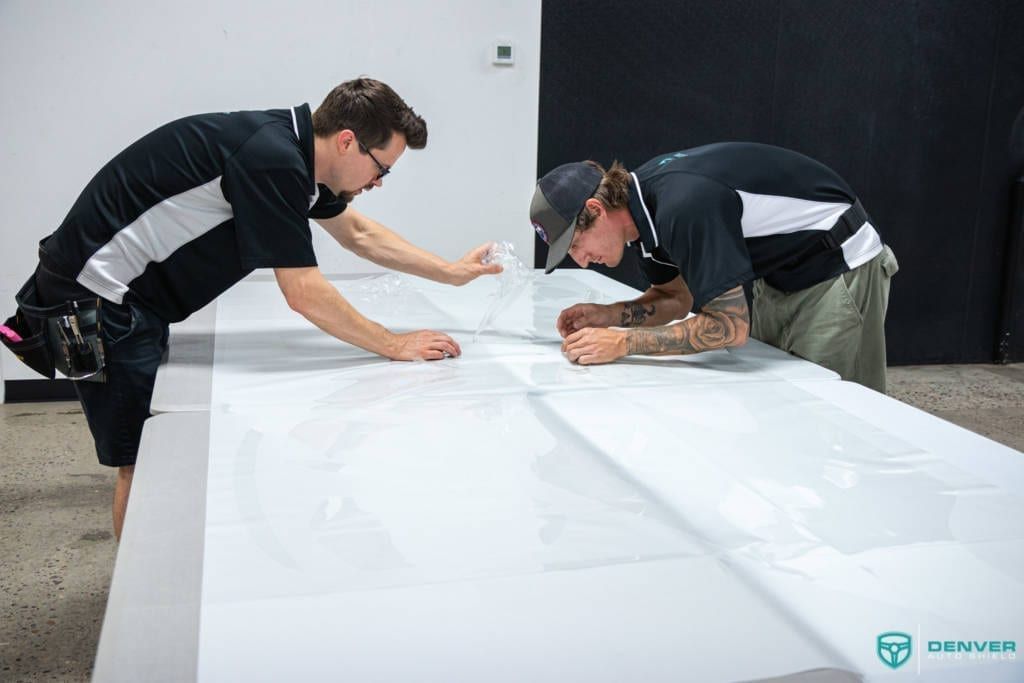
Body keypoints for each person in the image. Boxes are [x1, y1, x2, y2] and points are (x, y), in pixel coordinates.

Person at [7, 77, 500, 539]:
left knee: (156, 453)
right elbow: (303, 291)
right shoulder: (271, 159)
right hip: (96, 301)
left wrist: (452, 272)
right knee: (143, 463)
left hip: (124, 298)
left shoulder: (290, 152)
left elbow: (359, 233)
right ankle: (142, 617)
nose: (378, 183)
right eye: (381, 167)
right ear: (348, 141)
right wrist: (393, 343)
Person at [530, 142, 898, 391]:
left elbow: (729, 327)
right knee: (786, 403)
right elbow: (676, 297)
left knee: (836, 416)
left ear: (595, 210)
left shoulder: (683, 205)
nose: (580, 260)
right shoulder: (642, 216)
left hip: (838, 266)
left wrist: (622, 343)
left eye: (576, 245)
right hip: (780, 275)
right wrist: (606, 315)